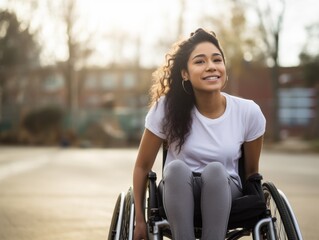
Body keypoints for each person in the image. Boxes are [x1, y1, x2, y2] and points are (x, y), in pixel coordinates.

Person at [133, 28, 266, 240]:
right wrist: (140, 220)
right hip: (177, 189)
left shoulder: (248, 112)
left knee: (215, 171)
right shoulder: (166, 109)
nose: (211, 67)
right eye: (200, 61)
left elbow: (251, 172)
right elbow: (142, 166)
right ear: (184, 73)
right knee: (175, 169)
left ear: (224, 68)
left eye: (217, 60)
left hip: (225, 189)